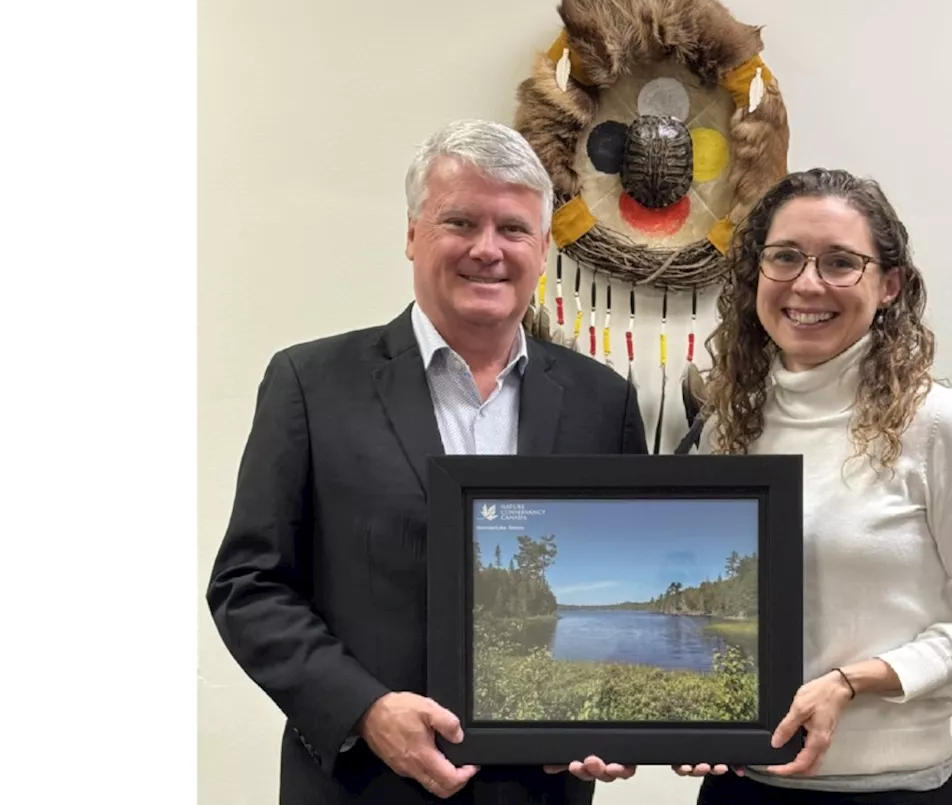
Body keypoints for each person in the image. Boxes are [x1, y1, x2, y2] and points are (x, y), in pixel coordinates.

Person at [206, 119, 647, 805]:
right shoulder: (310, 383)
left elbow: (625, 567)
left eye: (513, 228)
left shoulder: (603, 401)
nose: (487, 249)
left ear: (544, 245)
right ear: (412, 233)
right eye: (460, 221)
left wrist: (619, 721)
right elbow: (248, 585)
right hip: (359, 786)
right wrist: (365, 709)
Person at [672, 169, 952, 804]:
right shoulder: (727, 428)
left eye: (841, 263)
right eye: (784, 257)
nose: (807, 284)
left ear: (889, 284)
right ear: (756, 274)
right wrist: (688, 718)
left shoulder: (939, 425)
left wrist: (852, 681)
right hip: (742, 789)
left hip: (891, 791)